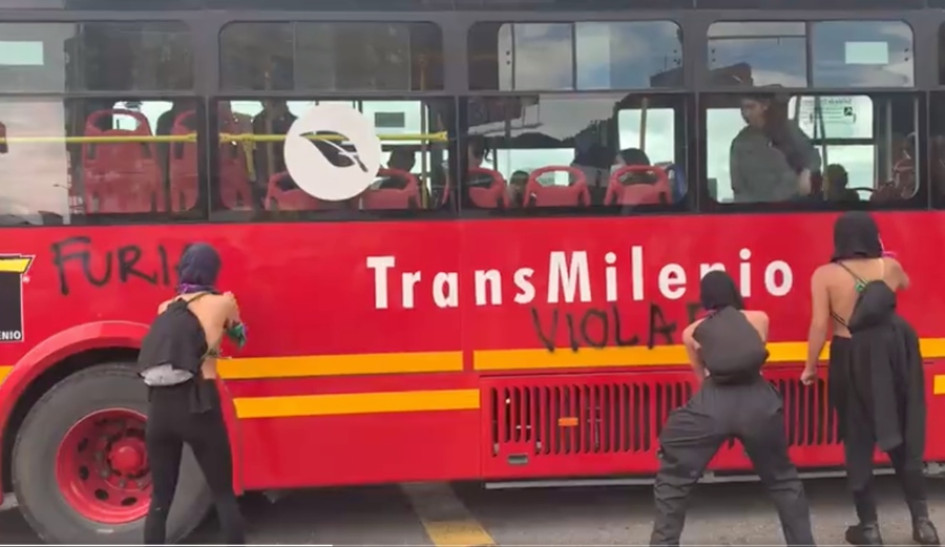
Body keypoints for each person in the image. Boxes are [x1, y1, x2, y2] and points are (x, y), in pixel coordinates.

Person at [801, 212, 939, 546]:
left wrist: (810, 366)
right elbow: (905, 284)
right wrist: (885, 255)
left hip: (851, 356)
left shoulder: (826, 275)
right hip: (894, 355)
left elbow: (821, 324)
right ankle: (923, 524)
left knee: (858, 439)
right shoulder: (887, 268)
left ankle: (870, 529)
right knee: (902, 437)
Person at [651, 271, 814, 546]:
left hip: (714, 401)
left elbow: (701, 375)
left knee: (674, 481)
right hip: (757, 400)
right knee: (783, 480)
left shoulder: (691, 332)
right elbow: (754, 357)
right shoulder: (760, 319)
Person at [138, 243, 246, 544]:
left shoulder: (165, 306)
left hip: (160, 408)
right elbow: (240, 339)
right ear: (213, 270)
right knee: (223, 494)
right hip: (200, 403)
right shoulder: (220, 303)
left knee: (160, 499)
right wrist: (233, 310)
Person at [730, 91, 820, 203]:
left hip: (793, 203)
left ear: (765, 106)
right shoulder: (740, 142)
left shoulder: (788, 129)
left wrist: (806, 173)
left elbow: (813, 156)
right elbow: (738, 185)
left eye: (751, 107)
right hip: (760, 207)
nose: (746, 114)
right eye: (742, 109)